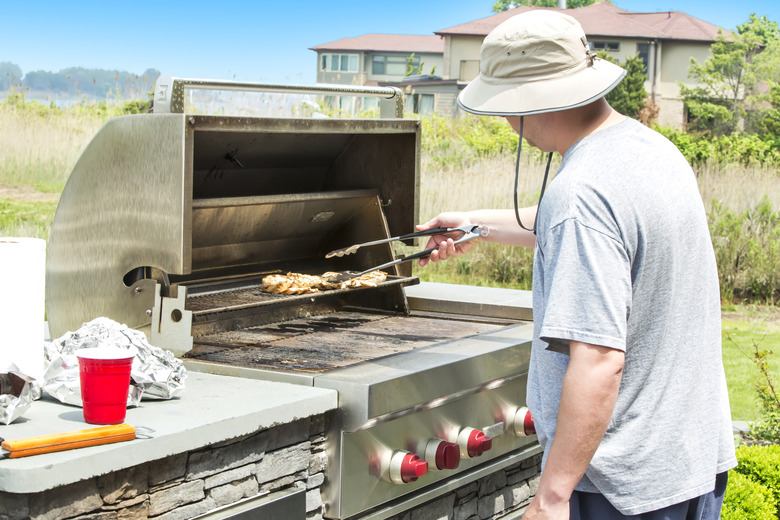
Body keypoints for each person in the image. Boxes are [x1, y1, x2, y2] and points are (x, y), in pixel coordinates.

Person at [417, 10, 736, 520]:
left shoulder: (580, 194)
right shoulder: (648, 149)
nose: (503, 121)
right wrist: (474, 224)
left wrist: (552, 494)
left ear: (531, 99)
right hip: (687, 461)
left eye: (504, 105)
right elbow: (604, 230)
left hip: (621, 486)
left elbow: (599, 361)